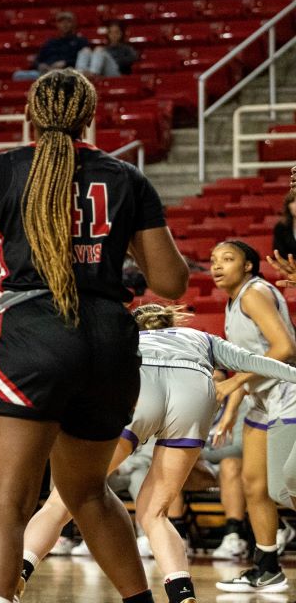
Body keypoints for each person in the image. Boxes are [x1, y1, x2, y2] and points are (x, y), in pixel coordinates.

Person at [0, 68, 188, 603]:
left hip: (32, 332)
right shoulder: (127, 178)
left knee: (5, 502)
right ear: (90, 117)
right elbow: (171, 282)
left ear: (30, 115)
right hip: (108, 340)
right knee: (88, 493)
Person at [18, 303, 296, 603]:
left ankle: (15, 577)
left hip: (142, 381)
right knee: (155, 512)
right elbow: (255, 361)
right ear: (171, 321)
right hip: (193, 391)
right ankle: (182, 595)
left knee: (64, 499)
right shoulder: (200, 337)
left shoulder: (127, 337)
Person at [210, 240, 296, 594]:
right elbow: (254, 359)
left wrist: (235, 384)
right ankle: (267, 568)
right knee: (254, 486)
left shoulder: (253, 294)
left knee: (282, 487)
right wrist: (231, 411)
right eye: (213, 260)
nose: (217, 266)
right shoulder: (235, 302)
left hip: (288, 396)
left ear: (248, 266)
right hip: (262, 401)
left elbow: (284, 348)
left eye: (227, 259)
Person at [205, 381, 249, 560]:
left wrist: (198, 456)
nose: (213, 383)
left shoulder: (239, 404)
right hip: (200, 469)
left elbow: (239, 448)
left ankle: (233, 535)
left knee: (230, 463)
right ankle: (179, 532)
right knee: (169, 467)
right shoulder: (190, 404)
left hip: (230, 469)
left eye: (218, 378)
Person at [12, 11, 91, 81]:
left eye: (68, 22)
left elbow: (84, 61)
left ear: (74, 24)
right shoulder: (50, 42)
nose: (65, 25)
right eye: (61, 22)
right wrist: (40, 65)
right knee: (18, 75)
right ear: (57, 25)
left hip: (67, 73)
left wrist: (65, 63)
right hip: (46, 72)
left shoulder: (80, 41)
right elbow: (37, 60)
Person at [272, 189, 296, 260]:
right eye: (293, 201)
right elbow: (279, 252)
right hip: (289, 266)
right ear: (288, 206)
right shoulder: (280, 227)